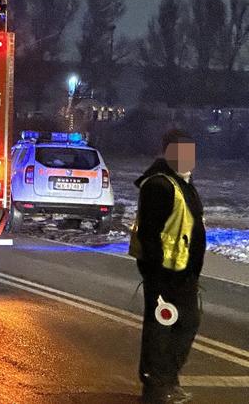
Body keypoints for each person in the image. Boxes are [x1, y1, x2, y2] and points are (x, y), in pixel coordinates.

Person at [129, 129, 206, 404]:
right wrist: (158, 275)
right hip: (165, 274)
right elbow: (150, 234)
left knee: (185, 326)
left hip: (184, 273)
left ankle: (168, 380)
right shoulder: (159, 185)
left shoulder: (183, 183)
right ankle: (156, 388)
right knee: (162, 330)